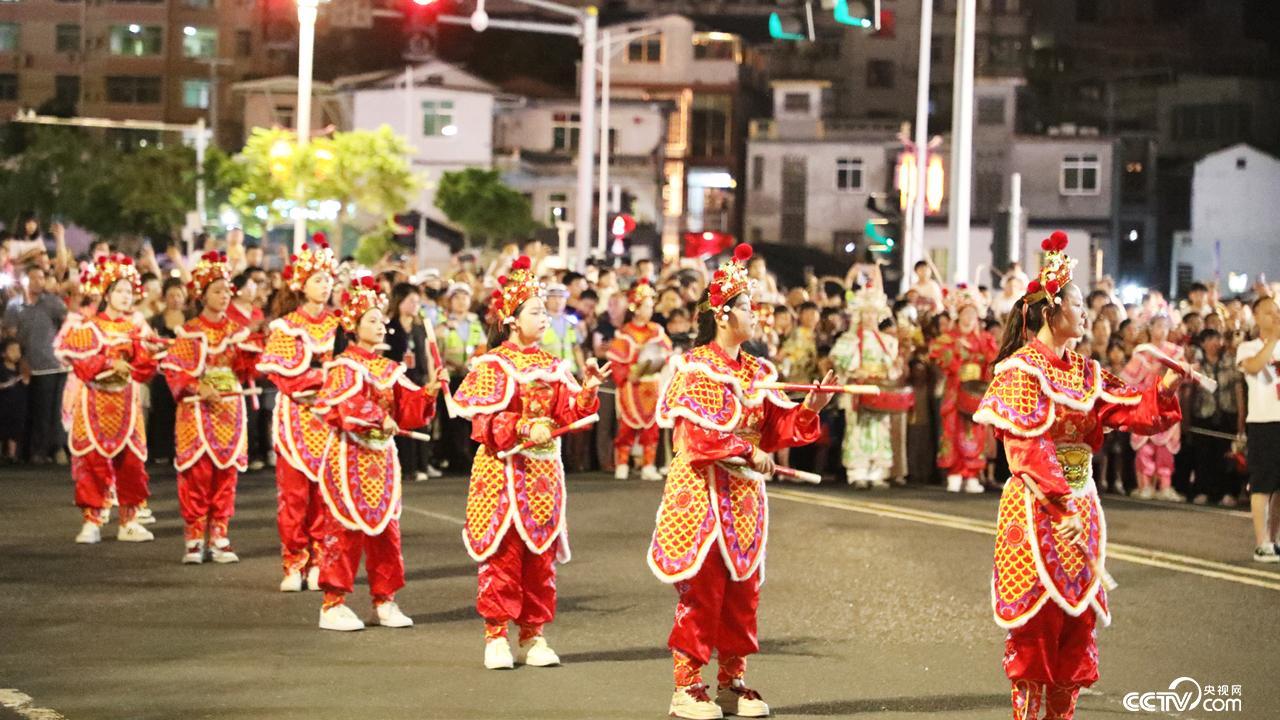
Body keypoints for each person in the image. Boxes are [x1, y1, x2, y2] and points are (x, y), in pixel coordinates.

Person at [974, 232, 1183, 720]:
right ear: (1052, 310)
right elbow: (1026, 445)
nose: (1087, 312)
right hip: (1037, 508)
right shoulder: (1020, 370)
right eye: (1077, 302)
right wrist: (1058, 501)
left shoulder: (1086, 372)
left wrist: (1165, 387)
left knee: (1076, 619)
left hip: (1079, 504)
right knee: (1037, 624)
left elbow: (1131, 410)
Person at [650, 244, 835, 720]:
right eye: (751, 307)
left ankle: (732, 681)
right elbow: (698, 438)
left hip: (746, 500)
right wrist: (745, 449)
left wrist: (809, 410)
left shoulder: (757, 371)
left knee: (742, 592)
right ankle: (686, 687)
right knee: (704, 591)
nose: (760, 315)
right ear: (724, 314)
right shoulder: (694, 368)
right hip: (703, 497)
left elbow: (775, 428)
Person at [450, 255, 609, 670]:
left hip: (543, 476)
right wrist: (523, 428)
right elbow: (482, 422)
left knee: (540, 559)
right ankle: (497, 635)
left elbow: (570, 411)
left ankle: (534, 634)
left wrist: (588, 391)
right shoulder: (492, 365)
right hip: (503, 472)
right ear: (512, 319)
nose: (544, 319)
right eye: (536, 312)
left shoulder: (553, 366)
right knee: (503, 556)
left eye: (544, 312)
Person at [312, 276, 439, 631]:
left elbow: (407, 407)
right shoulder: (343, 367)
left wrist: (427, 393)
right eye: (372, 320)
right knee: (345, 529)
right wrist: (374, 417)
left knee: (386, 531)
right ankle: (333, 603)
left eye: (381, 319)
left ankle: (384, 600)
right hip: (349, 457)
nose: (381, 325)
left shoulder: (389, 368)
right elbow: (339, 407)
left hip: (382, 460)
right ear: (352, 328)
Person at [160, 252, 260, 564]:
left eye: (227, 290)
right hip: (196, 411)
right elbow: (174, 369)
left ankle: (219, 535)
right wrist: (196, 385)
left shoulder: (237, 330)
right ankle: (193, 538)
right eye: (217, 290)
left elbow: (249, 367)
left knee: (226, 474)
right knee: (197, 475)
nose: (224, 295)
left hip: (229, 409)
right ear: (202, 295)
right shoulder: (189, 330)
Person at [56, 254, 160, 544]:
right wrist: (108, 363)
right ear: (106, 294)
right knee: (92, 462)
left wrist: (151, 355)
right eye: (119, 291)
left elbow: (144, 368)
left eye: (129, 291)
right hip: (95, 402)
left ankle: (128, 520)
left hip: (127, 401)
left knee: (132, 464)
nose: (126, 297)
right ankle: (92, 520)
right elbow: (82, 363)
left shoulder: (137, 328)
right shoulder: (90, 327)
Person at [257, 234, 341, 592]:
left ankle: (321, 561)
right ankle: (294, 561)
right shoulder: (286, 326)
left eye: (328, 279)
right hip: (296, 421)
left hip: (332, 421)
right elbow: (284, 377)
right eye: (318, 280)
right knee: (294, 497)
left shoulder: (341, 324)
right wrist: (323, 377)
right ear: (301, 285)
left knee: (327, 496)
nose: (325, 286)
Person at [831, 280, 904, 488]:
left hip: (878, 388)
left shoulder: (887, 341)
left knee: (881, 429)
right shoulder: (850, 339)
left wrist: (892, 368)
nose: (870, 317)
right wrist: (855, 370)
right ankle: (857, 471)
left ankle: (878, 471)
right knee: (857, 429)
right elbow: (840, 360)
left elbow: (892, 366)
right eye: (866, 313)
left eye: (873, 314)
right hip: (859, 387)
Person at [929, 285, 998, 493]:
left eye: (972, 314)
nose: (969, 319)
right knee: (953, 430)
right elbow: (938, 355)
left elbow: (993, 360)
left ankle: (972, 474)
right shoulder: (948, 338)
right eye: (965, 314)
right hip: (956, 389)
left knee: (976, 432)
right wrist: (956, 356)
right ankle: (955, 472)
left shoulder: (985, 339)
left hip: (976, 391)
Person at [3, 263, 69, 465]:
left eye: (41, 277)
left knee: (53, 412)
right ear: (24, 280)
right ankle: (30, 452)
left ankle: (49, 450)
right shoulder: (14, 306)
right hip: (28, 366)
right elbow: (11, 335)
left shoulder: (52, 302)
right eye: (34, 278)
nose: (38, 282)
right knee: (31, 412)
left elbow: (67, 323)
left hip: (54, 364)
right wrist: (20, 361)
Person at [607, 279, 672, 481]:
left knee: (651, 428)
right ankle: (623, 464)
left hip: (652, 385)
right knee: (626, 427)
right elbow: (617, 363)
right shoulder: (625, 334)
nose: (650, 311)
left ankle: (648, 465)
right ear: (636, 308)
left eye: (652, 307)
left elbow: (667, 354)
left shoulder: (657, 331)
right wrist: (628, 375)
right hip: (631, 386)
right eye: (647, 306)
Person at [1236, 295, 1280, 562]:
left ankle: (1274, 540)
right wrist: (1273, 339)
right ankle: (1261, 543)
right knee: (1263, 484)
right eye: (1267, 313)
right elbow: (1253, 367)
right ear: (1256, 317)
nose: (1274, 316)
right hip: (1263, 423)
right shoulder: (1248, 347)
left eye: (1276, 312)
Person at [1122, 314, 1183, 501]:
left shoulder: (1175, 352)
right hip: (1146, 404)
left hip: (1167, 405)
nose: (1162, 330)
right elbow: (1126, 379)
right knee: (1145, 447)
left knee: (1165, 448)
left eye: (1165, 326)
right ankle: (1145, 485)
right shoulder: (1142, 352)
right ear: (1151, 328)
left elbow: (1181, 376)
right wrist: (1148, 372)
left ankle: (1165, 485)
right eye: (1158, 326)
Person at [436, 282, 485, 472]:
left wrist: (472, 363)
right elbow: (438, 350)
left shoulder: (474, 322)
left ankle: (468, 457)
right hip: (452, 375)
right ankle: (454, 458)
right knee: (451, 420)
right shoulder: (443, 323)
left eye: (465, 297)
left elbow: (481, 346)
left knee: (469, 418)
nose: (461, 301)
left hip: (471, 375)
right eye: (456, 297)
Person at [0, 337, 29, 464]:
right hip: (3, 403)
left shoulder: (21, 367)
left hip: (18, 404)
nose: (16, 353)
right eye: (12, 350)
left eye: (17, 350)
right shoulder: (1, 368)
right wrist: (5, 385)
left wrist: (24, 373)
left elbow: (27, 381)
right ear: (3, 353)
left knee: (15, 429)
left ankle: (12, 455)